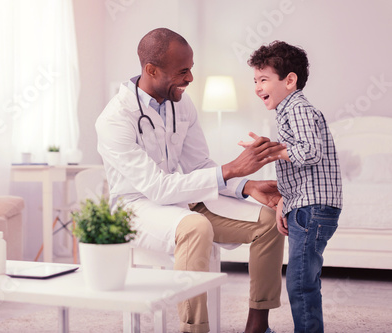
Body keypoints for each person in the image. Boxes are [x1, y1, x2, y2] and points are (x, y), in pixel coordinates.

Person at [96, 28, 285, 333]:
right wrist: (231, 170)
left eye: (191, 69)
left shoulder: (180, 104)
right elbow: (156, 188)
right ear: (151, 70)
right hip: (137, 208)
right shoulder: (115, 118)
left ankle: (258, 326)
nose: (190, 79)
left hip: (184, 198)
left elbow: (199, 164)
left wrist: (247, 187)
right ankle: (193, 329)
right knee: (196, 227)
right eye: (183, 71)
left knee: (268, 221)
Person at [245, 41, 343, 333]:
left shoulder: (297, 108)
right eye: (255, 80)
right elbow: (298, 168)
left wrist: (271, 151)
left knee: (300, 283)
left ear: (289, 80)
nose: (257, 86)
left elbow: (309, 152)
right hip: (304, 205)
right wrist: (284, 204)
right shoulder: (289, 110)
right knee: (304, 279)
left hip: (312, 208)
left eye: (264, 79)